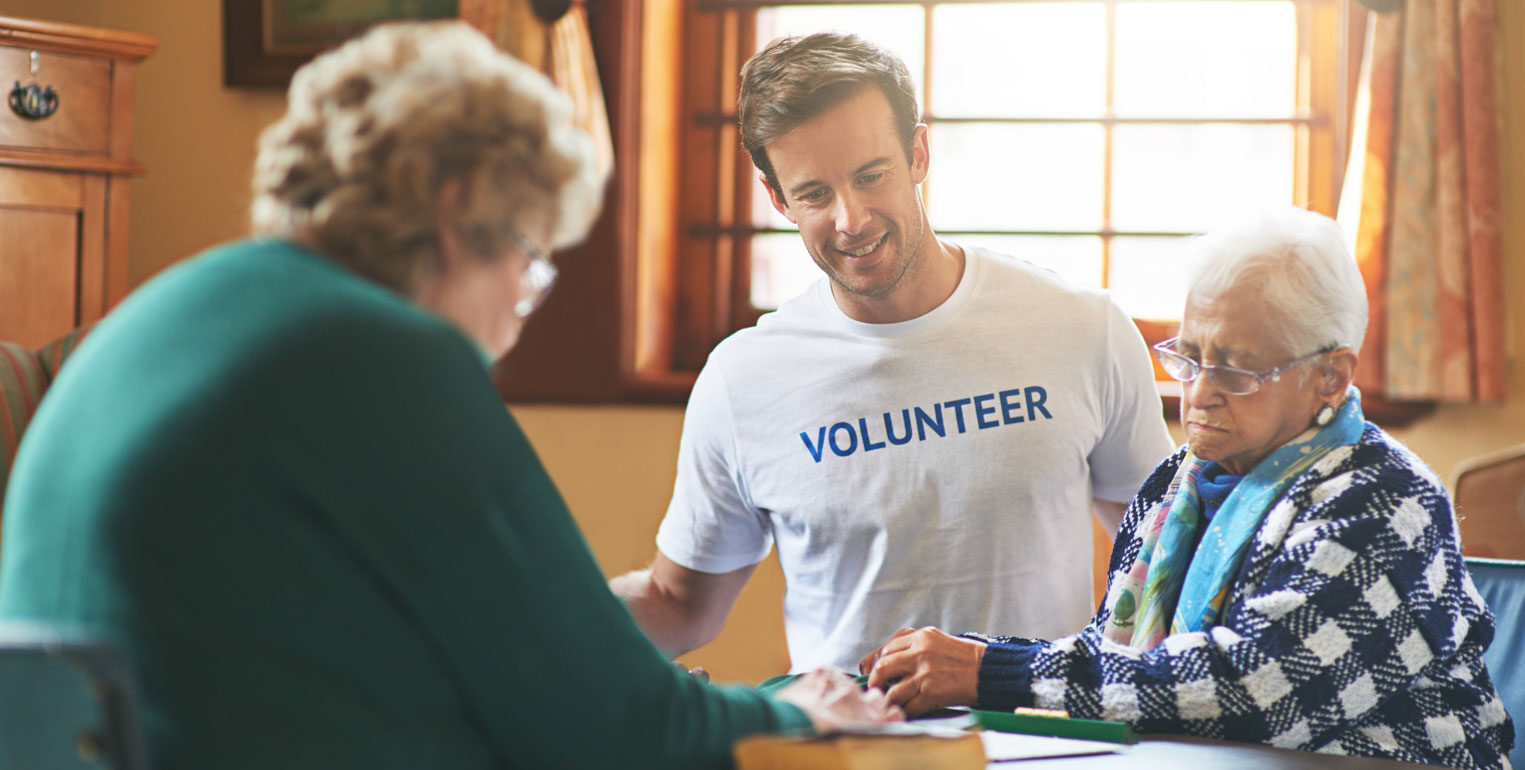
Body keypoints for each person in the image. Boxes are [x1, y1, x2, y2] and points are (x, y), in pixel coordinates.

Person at [0, 21, 900, 770]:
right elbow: (614, 726)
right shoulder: (383, 355)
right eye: (530, 258)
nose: (519, 312)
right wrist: (799, 710)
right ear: (459, 210)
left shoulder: (182, 305)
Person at [858, 207, 1515, 768]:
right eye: (1189, 357)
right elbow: (1114, 661)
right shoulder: (1180, 484)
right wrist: (969, 659)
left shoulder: (1383, 502)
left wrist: (989, 673)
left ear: (1328, 376)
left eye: (1235, 369)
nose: (1197, 393)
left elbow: (1255, 689)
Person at [612, 31, 1173, 674]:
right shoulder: (743, 381)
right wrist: (529, 622)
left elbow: (1161, 566)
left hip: (1047, 740)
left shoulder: (1083, 328)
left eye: (870, 176)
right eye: (815, 194)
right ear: (778, 199)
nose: (851, 219)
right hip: (851, 744)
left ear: (918, 153)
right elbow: (679, 604)